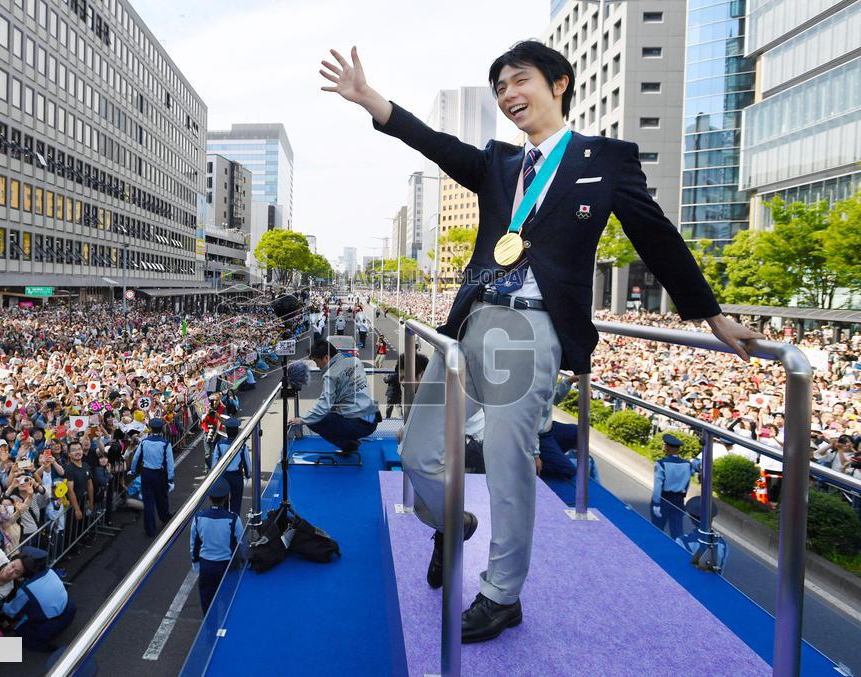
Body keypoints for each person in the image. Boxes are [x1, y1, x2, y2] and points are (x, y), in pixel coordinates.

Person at [319, 41, 761, 643]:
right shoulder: (498, 163)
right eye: (499, 87)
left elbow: (657, 239)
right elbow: (432, 142)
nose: (507, 96)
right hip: (472, 322)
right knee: (420, 452)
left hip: (531, 328)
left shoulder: (608, 159)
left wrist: (712, 316)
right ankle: (453, 523)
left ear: (560, 83)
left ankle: (502, 595)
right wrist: (370, 99)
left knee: (505, 465)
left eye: (518, 81)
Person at [288, 339, 379, 454]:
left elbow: (324, 405)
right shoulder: (355, 361)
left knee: (314, 421)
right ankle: (349, 442)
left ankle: (348, 445)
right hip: (373, 419)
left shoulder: (330, 375)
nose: (317, 366)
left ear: (326, 358)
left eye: (317, 361)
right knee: (329, 413)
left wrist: (302, 420)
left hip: (359, 424)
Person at [1, 546, 76, 652]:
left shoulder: (26, 591)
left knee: (20, 635)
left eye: (17, 571)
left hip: (49, 626)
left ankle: (44, 647)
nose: (11, 571)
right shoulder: (50, 572)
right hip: (69, 610)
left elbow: (10, 611)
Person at [191, 479, 244, 613]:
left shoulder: (198, 517)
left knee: (207, 601)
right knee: (228, 601)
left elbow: (194, 543)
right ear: (227, 497)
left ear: (209, 498)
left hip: (206, 566)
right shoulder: (234, 519)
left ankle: (209, 629)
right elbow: (241, 544)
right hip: (227, 566)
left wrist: (195, 563)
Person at [130, 418, 175, 537]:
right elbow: (169, 463)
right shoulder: (165, 444)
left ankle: (150, 528)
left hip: (146, 473)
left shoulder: (144, 442)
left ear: (150, 429)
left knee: (148, 501)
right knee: (162, 496)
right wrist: (170, 478)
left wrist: (133, 470)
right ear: (162, 429)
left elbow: (136, 458)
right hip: (159, 474)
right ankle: (164, 516)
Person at [651, 434, 700, 539]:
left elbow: (658, 486)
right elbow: (687, 483)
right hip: (679, 500)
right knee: (677, 531)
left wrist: (655, 503)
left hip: (664, 499)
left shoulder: (661, 464)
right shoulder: (687, 464)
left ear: (667, 448)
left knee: (657, 529)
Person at [210, 418, 249, 516]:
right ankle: (234, 521)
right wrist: (248, 475)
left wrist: (214, 478)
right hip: (236, 476)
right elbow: (247, 462)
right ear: (237, 431)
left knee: (223, 501)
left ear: (226, 431)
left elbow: (215, 463)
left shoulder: (220, 445)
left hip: (223, 476)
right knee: (236, 501)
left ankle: (223, 519)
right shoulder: (242, 445)